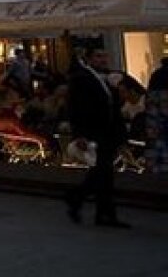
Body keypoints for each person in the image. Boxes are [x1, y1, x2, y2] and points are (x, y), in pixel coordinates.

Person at [65, 48, 130, 228]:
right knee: (102, 172)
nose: (103, 60)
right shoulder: (81, 78)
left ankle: (92, 208)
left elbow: (113, 105)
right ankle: (79, 199)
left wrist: (117, 89)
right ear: (89, 59)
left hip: (108, 132)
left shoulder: (108, 78)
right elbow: (74, 108)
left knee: (104, 174)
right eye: (98, 56)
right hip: (94, 133)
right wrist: (79, 134)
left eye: (105, 55)